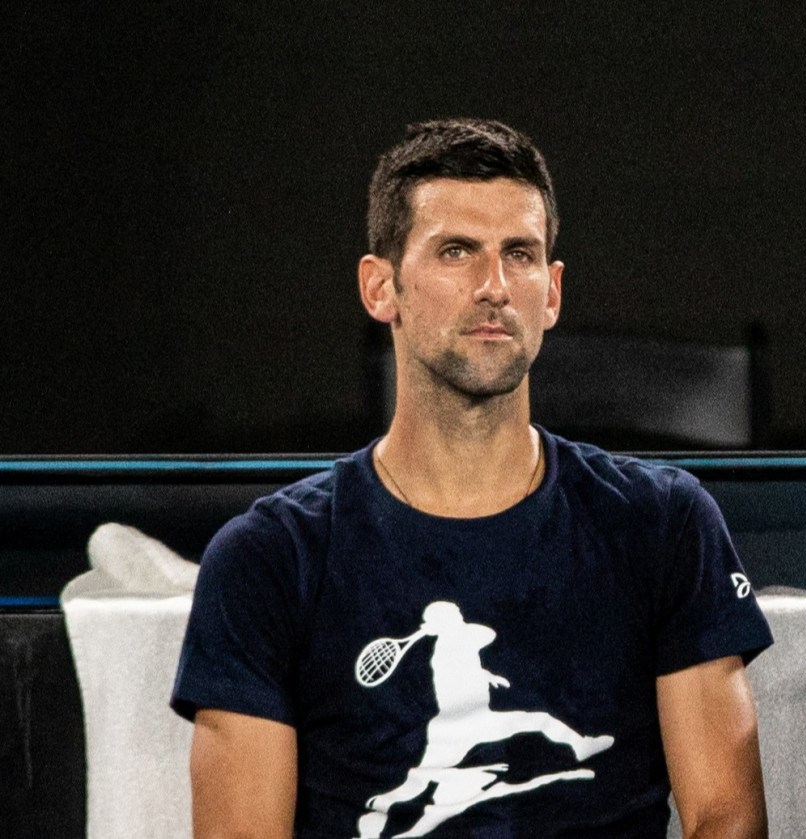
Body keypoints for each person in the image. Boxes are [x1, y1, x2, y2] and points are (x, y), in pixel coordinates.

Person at [172, 118, 773, 838]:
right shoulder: (270, 558)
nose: (494, 286)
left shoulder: (662, 523)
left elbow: (727, 818)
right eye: (456, 251)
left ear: (550, 293)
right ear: (380, 286)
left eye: (519, 254)